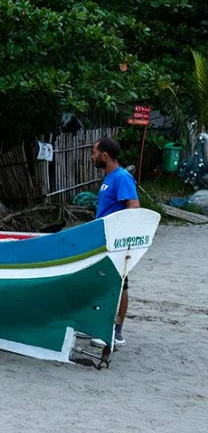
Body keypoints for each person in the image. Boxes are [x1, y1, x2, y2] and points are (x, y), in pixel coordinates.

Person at [91, 136, 140, 347]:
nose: (92, 156)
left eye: (94, 152)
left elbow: (134, 206)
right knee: (105, 284)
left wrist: (120, 235)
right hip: (103, 241)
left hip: (116, 243)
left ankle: (116, 332)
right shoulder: (109, 178)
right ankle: (103, 326)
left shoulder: (121, 177)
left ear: (105, 155)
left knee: (120, 285)